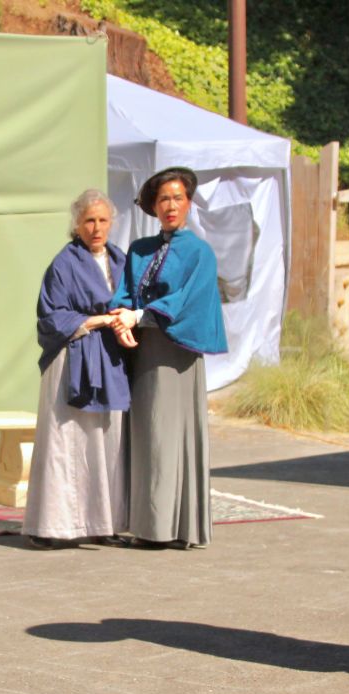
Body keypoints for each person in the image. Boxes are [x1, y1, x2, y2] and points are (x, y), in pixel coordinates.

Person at [108, 167, 227, 548]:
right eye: (163, 199)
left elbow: (184, 301)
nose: (170, 206)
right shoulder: (140, 249)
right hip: (140, 352)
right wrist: (121, 320)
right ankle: (145, 524)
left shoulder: (199, 253)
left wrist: (139, 316)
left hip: (176, 354)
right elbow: (125, 291)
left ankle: (165, 529)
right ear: (154, 206)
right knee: (145, 435)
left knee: (168, 435)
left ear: (188, 203)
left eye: (177, 198)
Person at [21, 189, 130, 549]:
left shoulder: (120, 260)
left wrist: (123, 320)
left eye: (102, 220)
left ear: (111, 223)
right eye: (89, 221)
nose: (96, 228)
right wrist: (98, 320)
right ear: (77, 225)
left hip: (110, 360)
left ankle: (105, 523)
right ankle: (50, 526)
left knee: (107, 443)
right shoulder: (64, 264)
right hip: (72, 360)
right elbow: (51, 316)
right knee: (65, 444)